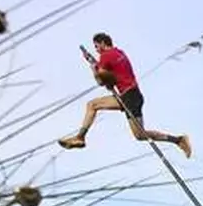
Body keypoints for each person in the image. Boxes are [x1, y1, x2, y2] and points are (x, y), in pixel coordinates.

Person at [57, 32, 192, 158]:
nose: (97, 50)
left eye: (97, 46)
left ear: (103, 43)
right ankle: (178, 140)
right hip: (131, 95)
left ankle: (80, 137)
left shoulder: (105, 56)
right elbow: (113, 72)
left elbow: (101, 81)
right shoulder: (118, 52)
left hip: (129, 96)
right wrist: (96, 64)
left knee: (137, 133)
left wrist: (93, 68)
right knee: (137, 133)